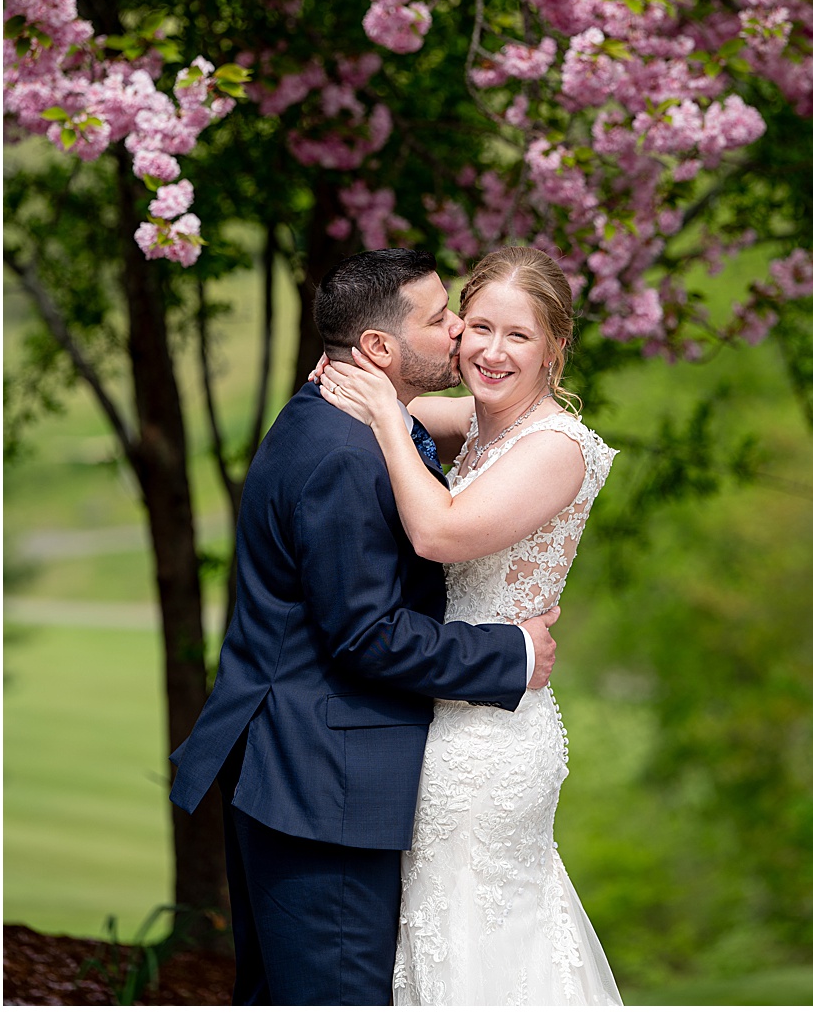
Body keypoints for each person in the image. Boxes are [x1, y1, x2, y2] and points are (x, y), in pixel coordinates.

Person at [168, 247, 558, 1005]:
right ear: (378, 349)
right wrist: (510, 652)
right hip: (320, 789)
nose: (459, 334)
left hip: (288, 769)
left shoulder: (338, 417)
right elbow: (366, 635)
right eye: (442, 317)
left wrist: (394, 406)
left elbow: (472, 424)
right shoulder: (346, 454)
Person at [316, 244, 621, 1004]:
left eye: (518, 336)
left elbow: (440, 534)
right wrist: (367, 385)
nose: (490, 350)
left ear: (555, 346)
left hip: (490, 740)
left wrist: (385, 414)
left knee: (482, 939)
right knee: (437, 935)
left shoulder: (556, 448)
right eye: (477, 326)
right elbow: (417, 405)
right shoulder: (481, 423)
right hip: (442, 707)